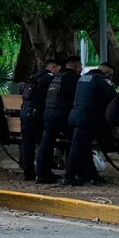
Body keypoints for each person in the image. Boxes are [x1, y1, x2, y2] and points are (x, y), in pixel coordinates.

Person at [63, 62, 117, 186]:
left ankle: (92, 175)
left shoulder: (84, 77)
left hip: (74, 114)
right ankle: (69, 176)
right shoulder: (101, 79)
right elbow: (113, 96)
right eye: (111, 75)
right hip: (86, 117)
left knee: (84, 147)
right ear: (106, 72)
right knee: (77, 147)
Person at [35, 55, 81, 184]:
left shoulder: (57, 77)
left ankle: (41, 174)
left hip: (49, 113)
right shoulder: (74, 78)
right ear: (77, 67)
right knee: (77, 140)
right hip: (62, 114)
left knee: (46, 143)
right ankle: (73, 175)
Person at [19, 59, 60, 181]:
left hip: (25, 113)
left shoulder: (33, 77)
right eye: (58, 69)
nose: (58, 71)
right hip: (37, 115)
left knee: (27, 143)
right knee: (44, 143)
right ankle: (43, 171)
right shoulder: (49, 79)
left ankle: (28, 171)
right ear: (53, 68)